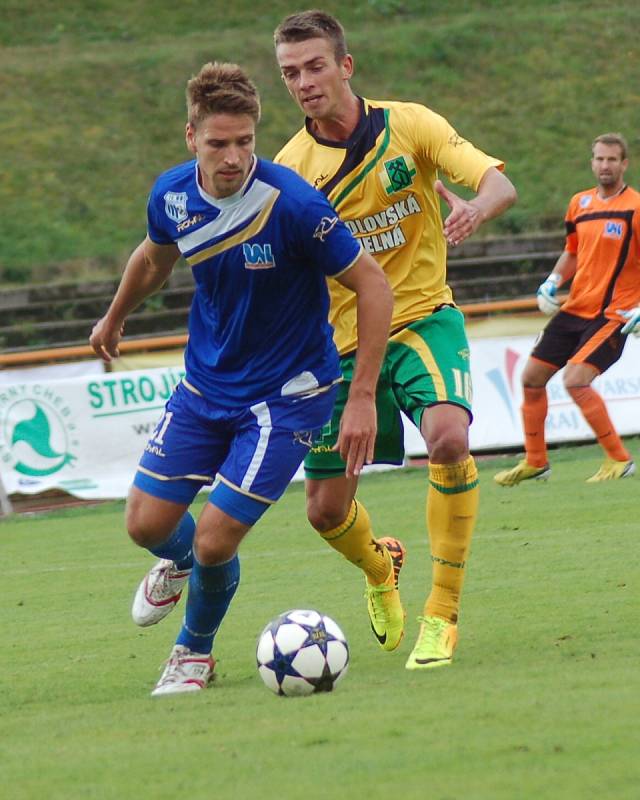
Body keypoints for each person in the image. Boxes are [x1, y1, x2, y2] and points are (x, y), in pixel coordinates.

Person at [89, 61, 393, 696]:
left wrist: (360, 395)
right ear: (190, 137)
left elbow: (372, 284)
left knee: (214, 537)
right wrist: (115, 316)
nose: (233, 157)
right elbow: (153, 259)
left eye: (245, 142)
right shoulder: (172, 195)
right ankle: (179, 563)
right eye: (218, 143)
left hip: (289, 401)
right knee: (145, 525)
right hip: (206, 389)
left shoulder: (294, 205)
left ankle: (192, 654)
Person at [273, 11, 517, 670]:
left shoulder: (410, 124)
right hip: (341, 349)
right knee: (325, 512)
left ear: (345, 66)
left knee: (449, 438)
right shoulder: (289, 172)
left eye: (315, 65)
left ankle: (442, 614)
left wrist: (474, 207)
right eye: (291, 72)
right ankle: (381, 569)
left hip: (423, 317)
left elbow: (498, 181)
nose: (304, 82)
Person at [494, 132, 640, 487]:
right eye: (599, 159)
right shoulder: (580, 204)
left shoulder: (635, 207)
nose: (604, 165)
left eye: (611, 159)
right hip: (575, 308)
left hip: (613, 315)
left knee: (575, 380)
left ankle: (619, 460)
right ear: (592, 162)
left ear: (624, 164)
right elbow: (573, 250)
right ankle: (535, 462)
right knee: (530, 379)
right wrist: (552, 280)